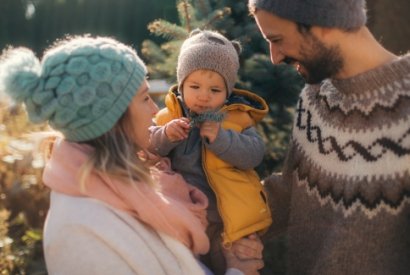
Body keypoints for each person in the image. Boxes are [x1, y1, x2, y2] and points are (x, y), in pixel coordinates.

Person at [0, 35, 265, 275]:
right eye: (144, 98)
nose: (154, 111)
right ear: (113, 118)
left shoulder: (129, 187)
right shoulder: (83, 230)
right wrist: (237, 272)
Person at [248, 0, 410, 274]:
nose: (274, 57)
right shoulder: (315, 100)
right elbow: (289, 193)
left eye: (277, 39)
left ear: (323, 24)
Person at [149, 29, 272, 274]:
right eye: (195, 86)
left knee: (229, 265)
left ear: (227, 92)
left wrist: (222, 139)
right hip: (182, 216)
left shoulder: (236, 117)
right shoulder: (169, 116)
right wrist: (166, 135)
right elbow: (148, 148)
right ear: (182, 84)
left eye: (215, 90)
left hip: (225, 222)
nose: (204, 96)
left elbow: (254, 154)